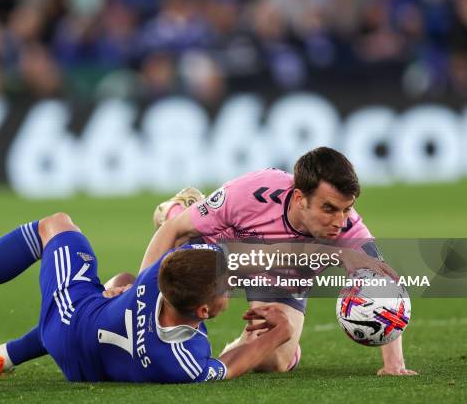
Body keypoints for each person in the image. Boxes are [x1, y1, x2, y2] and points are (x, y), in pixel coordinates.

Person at [0, 212, 292, 383]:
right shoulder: (182, 363)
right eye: (227, 288)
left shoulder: (161, 274)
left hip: (70, 325)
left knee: (56, 226)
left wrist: (179, 216)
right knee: (101, 286)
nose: (232, 290)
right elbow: (227, 366)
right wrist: (279, 333)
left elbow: (165, 256)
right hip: (84, 368)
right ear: (203, 311)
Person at [143, 147, 417, 376]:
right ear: (300, 199)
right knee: (179, 246)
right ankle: (180, 208)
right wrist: (138, 294)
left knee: (274, 362)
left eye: (347, 209)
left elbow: (384, 293)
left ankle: (238, 349)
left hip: (279, 276)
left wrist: (394, 364)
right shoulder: (252, 192)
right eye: (329, 209)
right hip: (223, 250)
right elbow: (173, 231)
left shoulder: (352, 233)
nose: (340, 221)